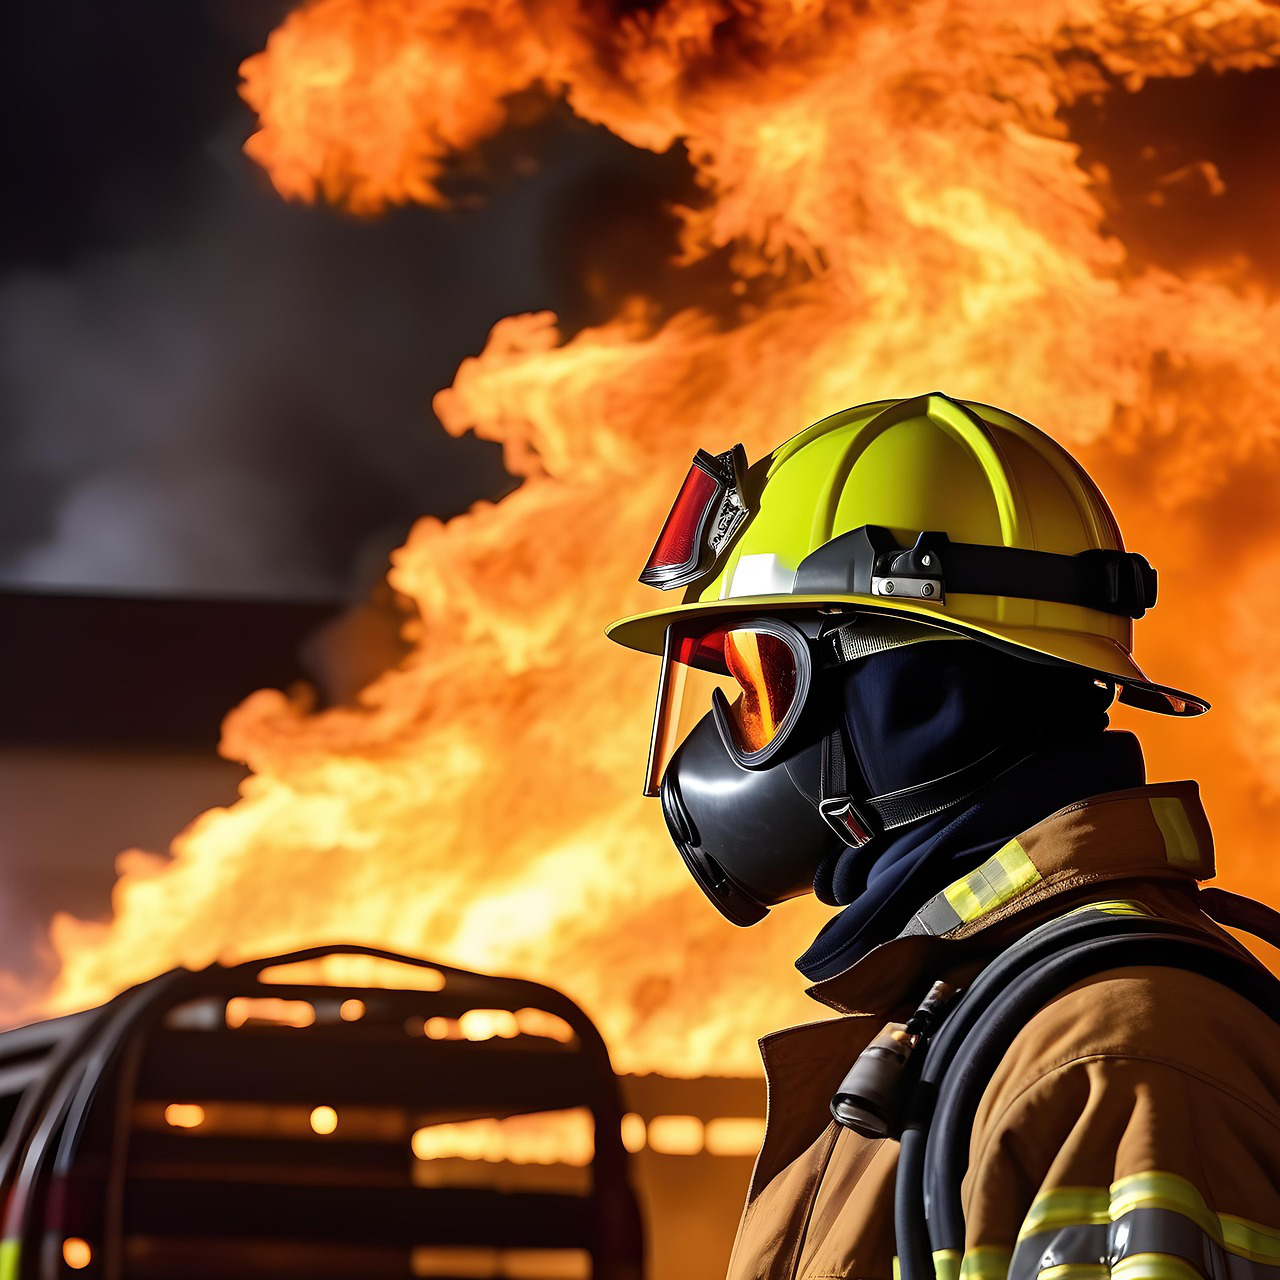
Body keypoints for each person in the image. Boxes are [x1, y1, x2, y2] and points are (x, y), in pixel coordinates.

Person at [605, 393, 1280, 1280]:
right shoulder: (966, 1022)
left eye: (758, 681)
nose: (734, 739)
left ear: (908, 698)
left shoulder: (1113, 1060)